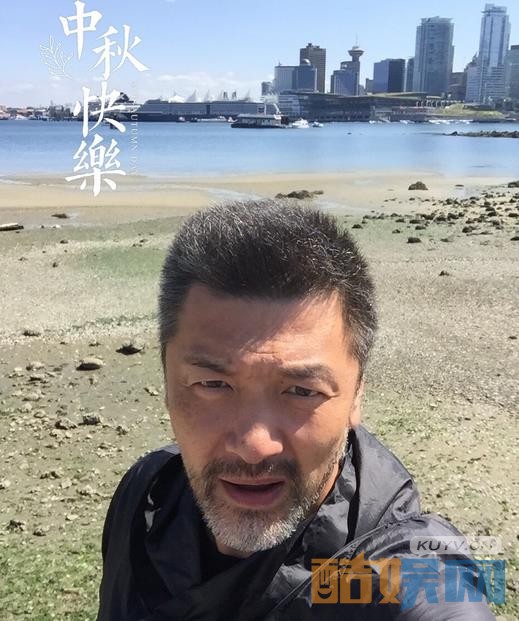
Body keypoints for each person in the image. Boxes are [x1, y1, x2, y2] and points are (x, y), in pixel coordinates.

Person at [98, 201, 495, 620]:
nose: (254, 445)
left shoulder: (406, 573)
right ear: (166, 381)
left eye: (302, 391)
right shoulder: (146, 495)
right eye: (213, 385)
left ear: (356, 395)